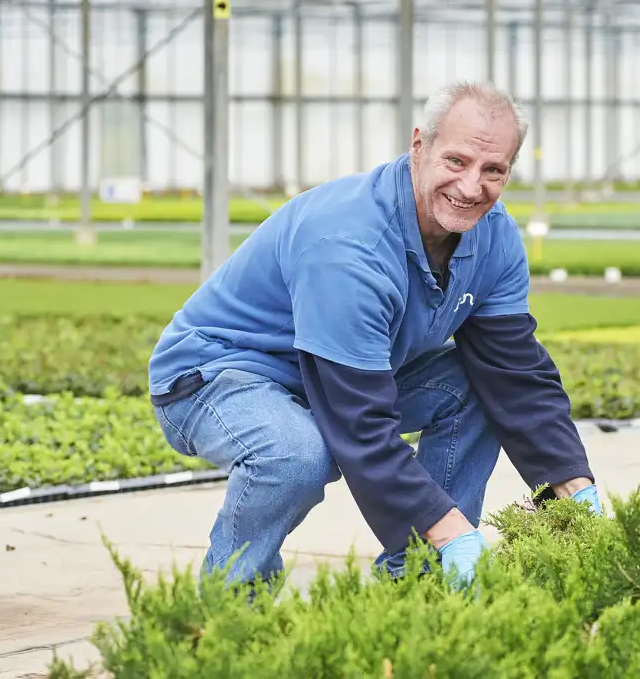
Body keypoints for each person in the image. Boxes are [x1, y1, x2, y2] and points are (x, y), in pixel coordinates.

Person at [146, 80, 601, 592]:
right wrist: (451, 531)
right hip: (219, 375)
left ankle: (415, 584)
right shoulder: (348, 245)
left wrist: (572, 486)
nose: (472, 188)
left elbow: (513, 372)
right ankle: (228, 608)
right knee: (295, 455)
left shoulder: (494, 235)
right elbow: (359, 422)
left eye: (492, 171)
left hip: (339, 376)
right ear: (419, 146)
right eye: (456, 161)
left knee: (481, 385)